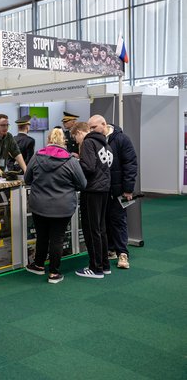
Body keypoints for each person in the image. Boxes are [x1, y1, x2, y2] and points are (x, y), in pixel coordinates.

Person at [24, 128, 86, 283]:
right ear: (63, 141)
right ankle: (54, 273)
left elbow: (27, 179)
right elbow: (82, 183)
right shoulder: (71, 160)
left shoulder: (37, 156)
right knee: (57, 238)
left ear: (48, 140)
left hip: (39, 204)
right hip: (63, 206)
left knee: (42, 236)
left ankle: (38, 265)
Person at [71, 120, 112, 279]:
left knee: (91, 229)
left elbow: (88, 167)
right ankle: (104, 264)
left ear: (81, 133)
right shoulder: (105, 144)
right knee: (101, 228)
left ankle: (96, 268)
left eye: (75, 137)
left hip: (92, 190)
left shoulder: (88, 143)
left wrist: (76, 165)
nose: (76, 141)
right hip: (104, 190)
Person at [96, 116, 138, 269]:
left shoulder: (122, 139)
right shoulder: (97, 140)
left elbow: (130, 164)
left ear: (104, 124)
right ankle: (111, 249)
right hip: (102, 189)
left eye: (94, 127)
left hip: (118, 189)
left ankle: (123, 253)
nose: (91, 131)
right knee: (106, 220)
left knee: (119, 220)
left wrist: (128, 189)